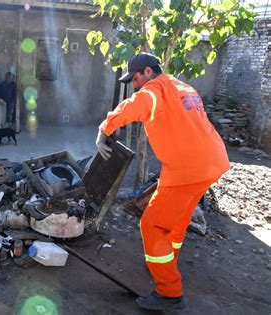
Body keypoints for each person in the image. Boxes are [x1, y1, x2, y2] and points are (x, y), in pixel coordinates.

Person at [96, 53, 229, 311]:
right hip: (209, 162)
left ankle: (169, 293)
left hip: (187, 169)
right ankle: (164, 261)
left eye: (135, 78)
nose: (134, 84)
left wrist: (104, 129)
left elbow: (133, 105)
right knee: (176, 221)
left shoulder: (153, 90)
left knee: (152, 224)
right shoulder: (183, 87)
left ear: (148, 71)